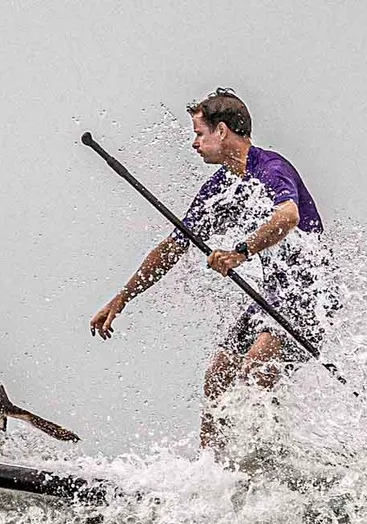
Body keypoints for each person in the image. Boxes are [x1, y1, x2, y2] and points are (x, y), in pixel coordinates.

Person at [89, 88, 338, 451]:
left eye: (199, 133)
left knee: (255, 366)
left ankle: (268, 458)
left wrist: (240, 251)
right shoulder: (220, 188)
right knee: (218, 373)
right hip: (273, 297)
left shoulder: (271, 168)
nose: (194, 143)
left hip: (308, 296)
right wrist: (123, 297)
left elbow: (288, 216)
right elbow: (175, 246)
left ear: (221, 131)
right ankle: (212, 469)